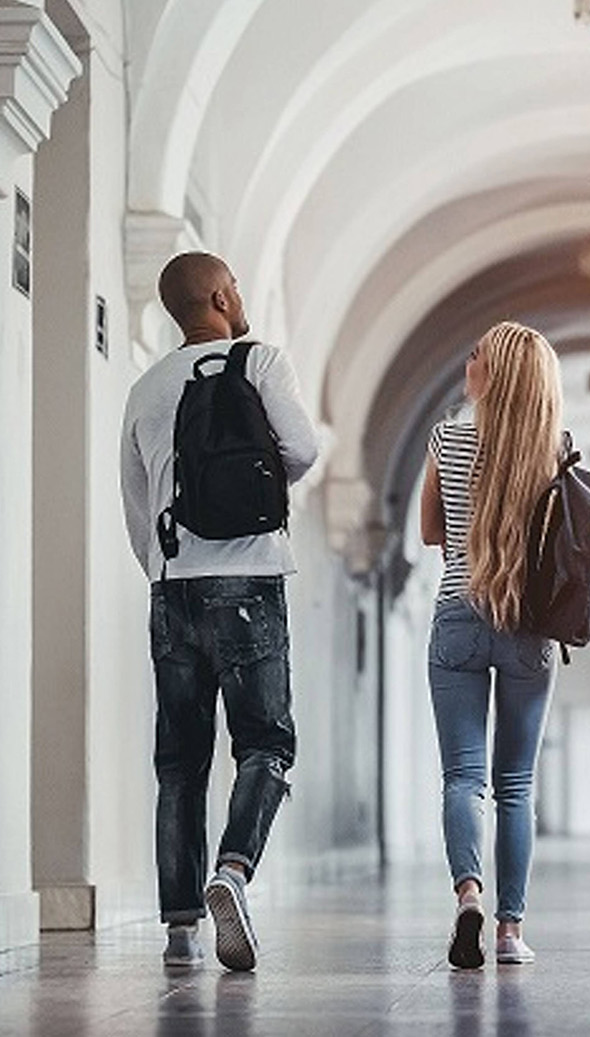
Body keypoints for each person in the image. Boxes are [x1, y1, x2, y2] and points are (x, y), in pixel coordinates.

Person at [119, 252, 319, 971]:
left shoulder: (144, 386)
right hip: (250, 579)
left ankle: (179, 931)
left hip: (172, 587)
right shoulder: (258, 361)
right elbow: (303, 448)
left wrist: (168, 571)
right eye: (232, 282)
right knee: (266, 743)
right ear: (217, 294)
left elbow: (136, 505)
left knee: (179, 759)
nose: (238, 292)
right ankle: (231, 871)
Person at [420, 321, 563, 970]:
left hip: (457, 614)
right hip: (528, 625)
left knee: (462, 778)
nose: (466, 359)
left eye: (475, 353)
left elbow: (430, 532)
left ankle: (468, 895)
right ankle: (509, 931)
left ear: (494, 374)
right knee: (515, 785)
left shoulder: (446, 436)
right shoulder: (552, 448)